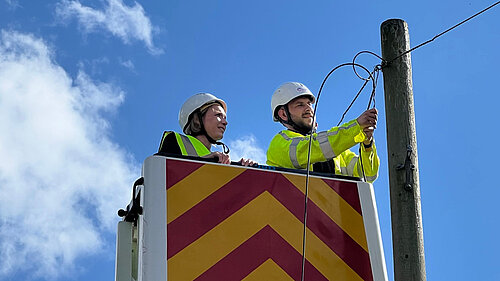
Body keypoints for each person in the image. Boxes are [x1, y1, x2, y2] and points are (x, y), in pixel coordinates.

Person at [266, 82, 379, 182]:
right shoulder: (279, 143)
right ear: (283, 114)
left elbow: (368, 175)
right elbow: (311, 148)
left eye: (309, 104)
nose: (308, 109)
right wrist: (356, 127)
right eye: (300, 105)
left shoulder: (338, 153)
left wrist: (367, 145)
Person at [158, 93, 255, 166]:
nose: (225, 122)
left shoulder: (217, 158)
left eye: (225, 118)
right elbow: (160, 172)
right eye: (218, 115)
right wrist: (204, 161)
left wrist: (242, 168)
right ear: (197, 119)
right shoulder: (175, 140)